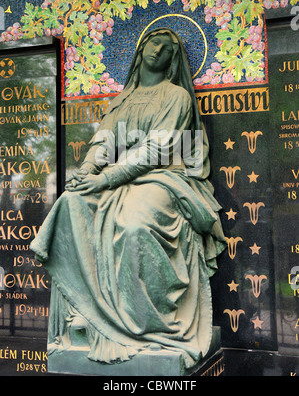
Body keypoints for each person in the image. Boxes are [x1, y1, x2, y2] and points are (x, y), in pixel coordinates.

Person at [30, 28, 226, 370]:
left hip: (163, 178)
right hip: (115, 180)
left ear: (172, 60)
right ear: (140, 49)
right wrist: (88, 171)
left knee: (135, 224)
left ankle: (148, 323)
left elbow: (158, 149)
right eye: (153, 42)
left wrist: (106, 177)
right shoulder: (121, 100)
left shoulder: (176, 95)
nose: (158, 49)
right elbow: (103, 142)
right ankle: (88, 311)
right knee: (70, 203)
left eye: (167, 48)